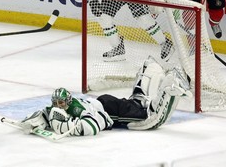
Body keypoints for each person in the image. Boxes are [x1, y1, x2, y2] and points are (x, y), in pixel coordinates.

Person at [17, 56, 191, 136]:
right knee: (137, 103)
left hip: (110, 109)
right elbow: (42, 114)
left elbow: (94, 125)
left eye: (61, 102)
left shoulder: (76, 108)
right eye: (56, 102)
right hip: (105, 103)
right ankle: (150, 67)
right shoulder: (62, 107)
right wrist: (30, 123)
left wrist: (65, 126)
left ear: (68, 101)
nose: (58, 105)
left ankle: (171, 84)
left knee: (148, 118)